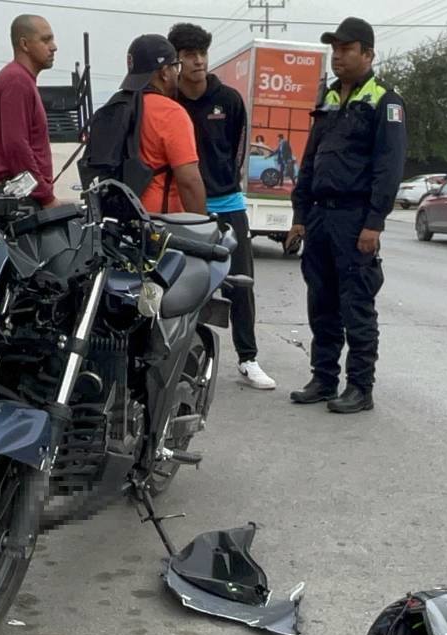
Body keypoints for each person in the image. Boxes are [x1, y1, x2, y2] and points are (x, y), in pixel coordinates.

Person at [286, 17, 405, 414]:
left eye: (346, 49)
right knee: (321, 302)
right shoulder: (329, 98)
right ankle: (323, 378)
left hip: (355, 220)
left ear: (368, 54)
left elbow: (389, 167)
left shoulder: (385, 102)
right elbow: (309, 161)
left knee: (356, 304)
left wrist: (374, 222)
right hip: (320, 217)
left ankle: (360, 387)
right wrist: (300, 214)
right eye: (334, 49)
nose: (337, 56)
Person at [168, 22, 275, 391]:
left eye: (202, 54)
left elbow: (237, 152)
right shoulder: (168, 100)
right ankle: (180, 361)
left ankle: (248, 359)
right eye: (189, 56)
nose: (198, 62)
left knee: (240, 284)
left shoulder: (228, 99)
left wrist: (223, 186)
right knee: (182, 287)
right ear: (176, 60)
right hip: (182, 211)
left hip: (227, 205)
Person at [120, 34, 206, 215]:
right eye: (176, 67)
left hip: (118, 218)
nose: (177, 73)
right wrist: (202, 229)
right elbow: (189, 181)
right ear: (165, 72)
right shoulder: (171, 113)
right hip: (159, 223)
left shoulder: (117, 106)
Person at [0, 14, 57, 207]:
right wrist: (45, 196)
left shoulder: (22, 79)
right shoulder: (16, 81)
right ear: (24, 44)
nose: (53, 46)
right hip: (22, 196)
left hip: (23, 193)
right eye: (46, 40)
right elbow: (16, 145)